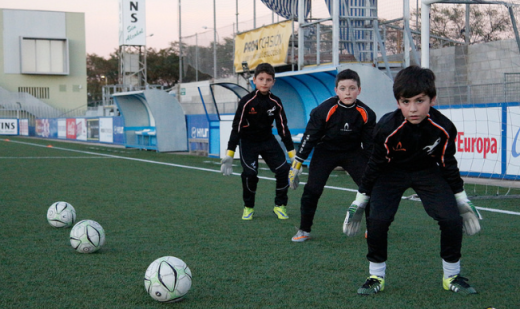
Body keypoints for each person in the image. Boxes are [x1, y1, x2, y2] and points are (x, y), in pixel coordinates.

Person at [343, 65, 482, 295]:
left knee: (451, 219)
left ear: (432, 99)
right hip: (391, 172)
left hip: (427, 171)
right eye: (405, 102)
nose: (413, 109)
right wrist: (360, 199)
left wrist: (461, 198)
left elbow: (448, 164)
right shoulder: (387, 127)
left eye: (420, 100)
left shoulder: (444, 128)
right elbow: (375, 164)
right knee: (377, 220)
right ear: (398, 102)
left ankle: (452, 276)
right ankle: (376, 276)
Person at [289, 68, 376, 242]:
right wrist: (296, 163)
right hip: (325, 152)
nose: (348, 92)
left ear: (359, 90)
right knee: (312, 190)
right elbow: (310, 136)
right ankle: (304, 230)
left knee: (371, 188)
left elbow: (370, 146)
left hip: (352, 152)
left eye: (352, 88)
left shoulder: (367, 113)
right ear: (336, 90)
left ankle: (373, 228)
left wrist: (375, 168)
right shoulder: (324, 110)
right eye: (343, 88)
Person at [221, 62, 295, 220]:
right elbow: (237, 128)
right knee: (250, 174)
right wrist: (229, 153)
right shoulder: (247, 101)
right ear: (254, 80)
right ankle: (248, 207)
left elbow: (283, 129)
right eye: (261, 79)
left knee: (284, 171)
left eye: (269, 79)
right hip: (248, 142)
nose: (265, 82)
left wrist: (293, 155)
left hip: (268, 140)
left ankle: (280, 206)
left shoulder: (276, 102)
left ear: (273, 82)